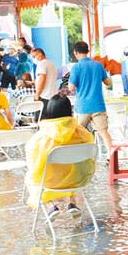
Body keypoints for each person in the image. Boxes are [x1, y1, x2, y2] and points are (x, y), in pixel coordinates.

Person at [24, 92, 95, 220]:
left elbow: (32, 162)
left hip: (50, 182)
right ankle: (72, 202)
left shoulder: (42, 137)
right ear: (70, 111)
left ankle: (51, 206)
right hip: (77, 181)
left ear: (50, 111)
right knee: (74, 169)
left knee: (30, 179)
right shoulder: (81, 132)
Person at [68, 41, 113, 156]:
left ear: (76, 52)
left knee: (78, 132)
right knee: (103, 132)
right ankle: (111, 155)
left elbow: (71, 87)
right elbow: (108, 82)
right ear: (87, 51)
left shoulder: (76, 67)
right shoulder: (98, 65)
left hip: (83, 106)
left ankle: (78, 156)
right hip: (98, 105)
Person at [32, 48, 59, 118]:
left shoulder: (42, 64)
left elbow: (42, 79)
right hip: (54, 97)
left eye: (34, 56)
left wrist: (37, 94)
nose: (34, 59)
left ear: (40, 54)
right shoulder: (52, 64)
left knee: (42, 121)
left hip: (44, 97)